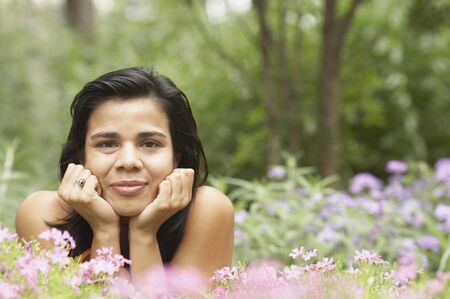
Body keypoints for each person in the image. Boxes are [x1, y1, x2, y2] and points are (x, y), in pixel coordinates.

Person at [15, 67, 234, 279]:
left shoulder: (207, 211)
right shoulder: (43, 215)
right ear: (82, 156)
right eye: (107, 144)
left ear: (175, 157)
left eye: (149, 144)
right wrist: (104, 229)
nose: (128, 162)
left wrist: (144, 233)